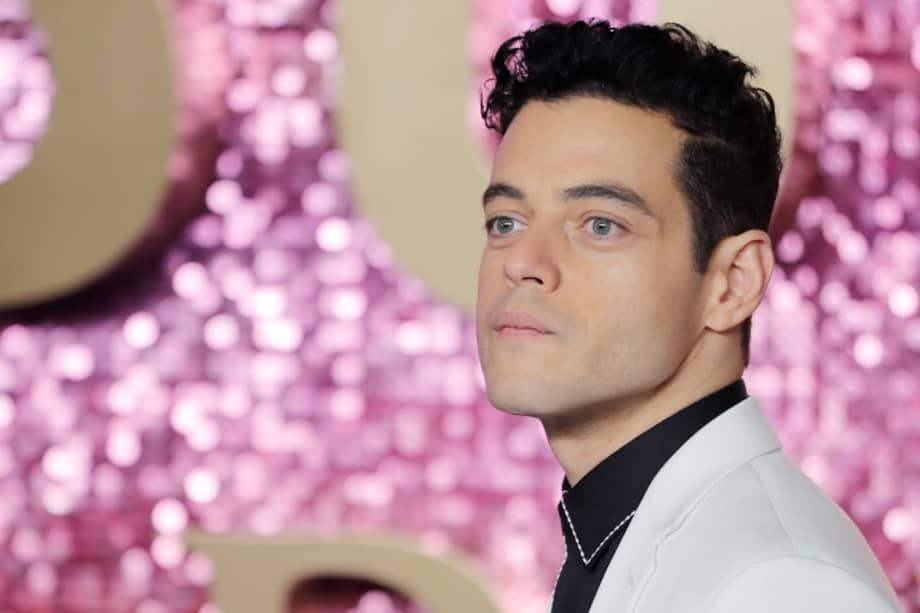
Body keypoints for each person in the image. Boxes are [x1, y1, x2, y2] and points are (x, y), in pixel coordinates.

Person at [475, 19, 902, 613]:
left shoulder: (781, 585)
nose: (522, 261)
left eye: (601, 225)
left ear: (734, 281)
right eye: (506, 222)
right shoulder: (630, 533)